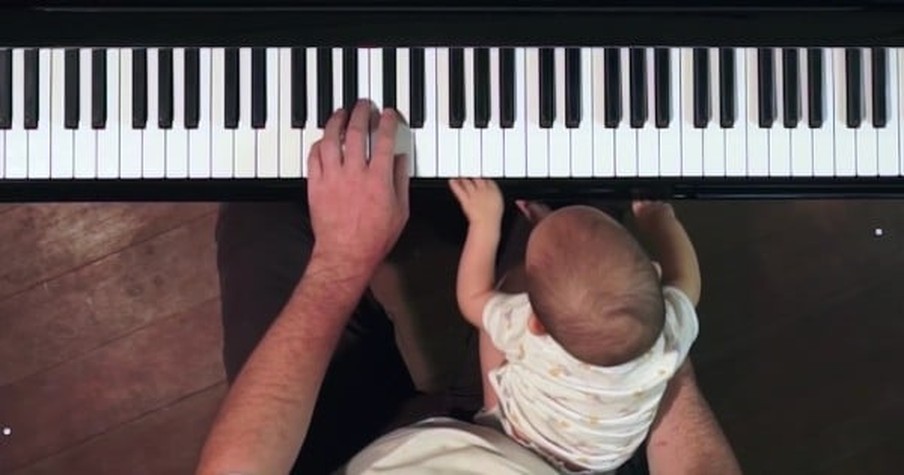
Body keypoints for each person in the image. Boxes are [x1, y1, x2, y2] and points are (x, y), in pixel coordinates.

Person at [195, 99, 743, 475]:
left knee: (260, 202)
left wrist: (342, 260)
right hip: (563, 455)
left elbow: (477, 301)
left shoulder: (526, 328)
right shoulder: (615, 324)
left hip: (488, 426)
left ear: (536, 324)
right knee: (587, 182)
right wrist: (647, 358)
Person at [448, 177, 701, 473]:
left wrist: (484, 222)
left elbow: (473, 298)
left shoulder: (530, 337)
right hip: (603, 458)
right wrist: (661, 219)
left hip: (518, 438)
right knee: (570, 277)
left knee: (508, 289)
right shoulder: (668, 333)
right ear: (654, 275)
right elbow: (688, 279)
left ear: (537, 324)